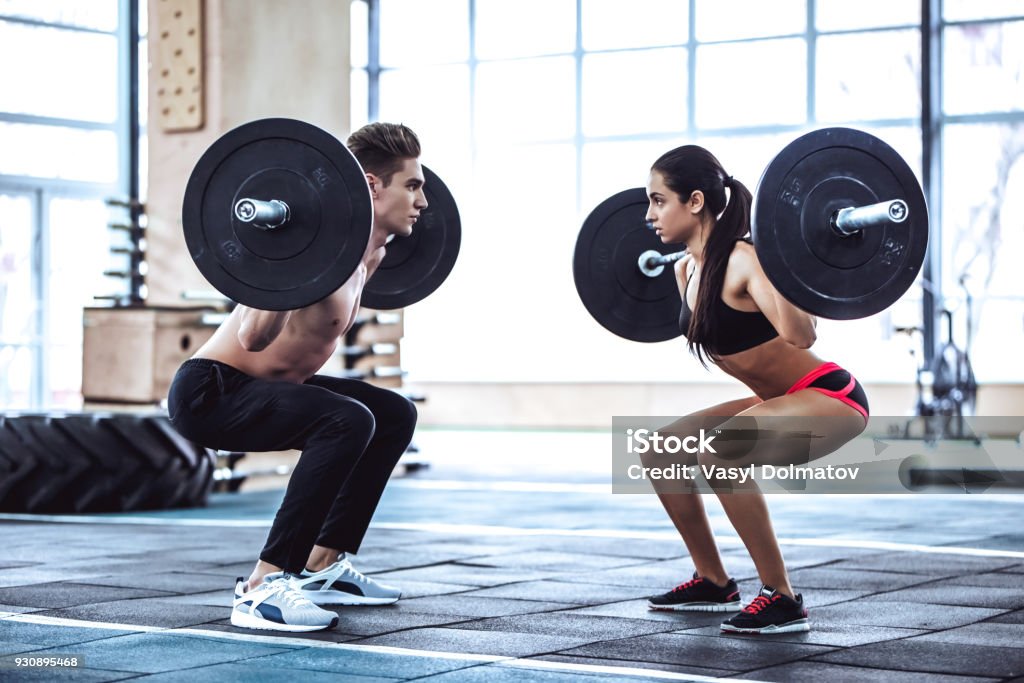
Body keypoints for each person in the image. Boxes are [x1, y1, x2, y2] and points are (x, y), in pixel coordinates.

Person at [167, 122, 427, 632]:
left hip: (273, 388)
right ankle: (263, 586)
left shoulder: (371, 253)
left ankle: (322, 566)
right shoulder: (315, 245)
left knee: (393, 413)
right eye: (413, 186)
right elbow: (253, 339)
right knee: (345, 420)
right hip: (213, 391)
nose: (423, 201)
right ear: (373, 186)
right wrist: (287, 260)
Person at [640, 145, 869, 634]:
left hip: (830, 395)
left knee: (723, 452)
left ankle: (781, 596)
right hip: (776, 400)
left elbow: (802, 336)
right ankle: (713, 580)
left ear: (695, 201)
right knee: (661, 449)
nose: (649, 214)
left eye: (659, 200)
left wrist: (781, 264)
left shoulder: (746, 259)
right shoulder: (686, 270)